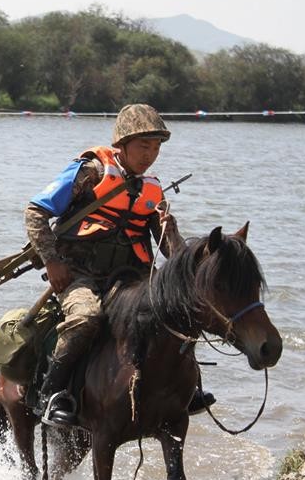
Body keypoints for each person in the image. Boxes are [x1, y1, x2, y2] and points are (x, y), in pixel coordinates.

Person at [24, 103, 194, 427]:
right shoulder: (90, 172)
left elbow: (175, 256)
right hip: (80, 276)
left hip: (128, 279)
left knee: (177, 311)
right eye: (144, 146)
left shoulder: (152, 190)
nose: (150, 155)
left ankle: (184, 390)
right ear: (122, 144)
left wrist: (170, 230)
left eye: (156, 147)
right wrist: (52, 261)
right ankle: (51, 394)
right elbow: (35, 212)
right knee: (87, 318)